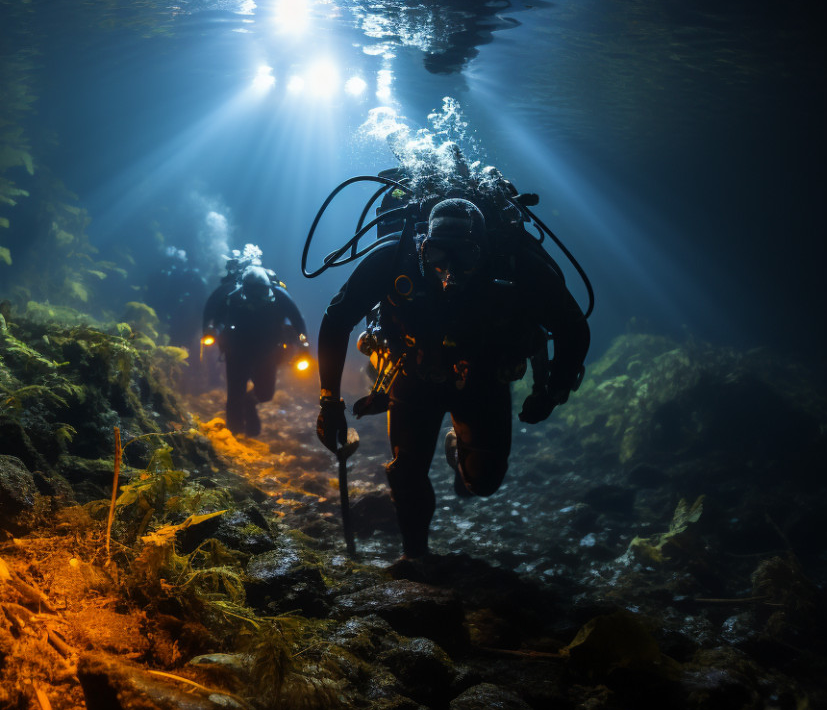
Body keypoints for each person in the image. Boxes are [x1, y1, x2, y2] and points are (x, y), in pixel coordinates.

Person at [314, 195, 590, 560]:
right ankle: (416, 556)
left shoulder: (517, 266)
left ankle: (458, 448)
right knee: (407, 472)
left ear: (485, 251)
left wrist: (553, 390)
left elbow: (572, 328)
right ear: (422, 246)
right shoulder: (396, 260)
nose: (450, 272)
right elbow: (337, 319)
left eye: (465, 256)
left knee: (484, 482)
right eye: (438, 256)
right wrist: (328, 401)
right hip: (413, 373)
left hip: (485, 379)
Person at [203, 258, 309, 437]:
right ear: (244, 290)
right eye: (254, 293)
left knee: (265, 394)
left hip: (267, 352)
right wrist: (211, 330)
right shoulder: (232, 297)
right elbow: (215, 316)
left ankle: (250, 402)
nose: (258, 297)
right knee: (234, 394)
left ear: (268, 288)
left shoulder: (279, 296)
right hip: (236, 351)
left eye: (262, 292)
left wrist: (304, 345)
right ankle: (234, 435)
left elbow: (298, 321)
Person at [144, 247, 210, 391]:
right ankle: (179, 381)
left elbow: (169, 299)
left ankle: (185, 382)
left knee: (184, 349)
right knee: (182, 349)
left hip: (186, 321)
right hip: (183, 321)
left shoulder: (185, 279)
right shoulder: (188, 279)